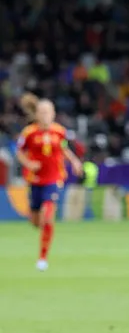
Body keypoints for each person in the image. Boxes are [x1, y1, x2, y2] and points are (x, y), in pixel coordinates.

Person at [15, 98, 84, 271]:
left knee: (48, 215)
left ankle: (42, 258)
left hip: (54, 179)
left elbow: (64, 149)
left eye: (48, 112)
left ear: (53, 114)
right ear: (37, 114)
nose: (46, 115)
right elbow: (19, 153)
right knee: (36, 221)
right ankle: (39, 223)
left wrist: (75, 161)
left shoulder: (60, 132)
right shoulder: (29, 133)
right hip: (35, 180)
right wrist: (29, 164)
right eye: (42, 112)